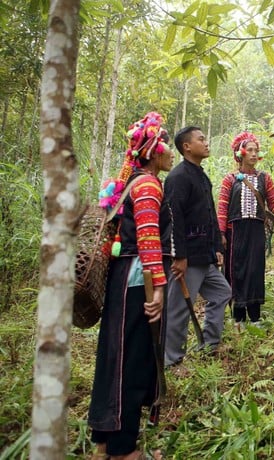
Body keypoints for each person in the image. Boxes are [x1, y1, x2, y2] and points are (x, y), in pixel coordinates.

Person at [88, 112, 174, 460]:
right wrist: (158, 290)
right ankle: (124, 450)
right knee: (132, 360)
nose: (170, 151)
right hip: (139, 281)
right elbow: (149, 240)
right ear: (154, 150)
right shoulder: (149, 185)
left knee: (115, 355)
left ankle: (106, 439)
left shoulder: (131, 183)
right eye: (166, 143)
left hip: (124, 280)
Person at [163, 126, 231, 366]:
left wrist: (217, 249)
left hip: (205, 255)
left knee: (222, 293)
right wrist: (179, 256)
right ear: (187, 147)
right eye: (201, 139)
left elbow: (209, 214)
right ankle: (172, 360)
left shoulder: (201, 176)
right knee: (180, 307)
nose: (206, 142)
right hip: (188, 257)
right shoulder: (178, 178)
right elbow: (174, 219)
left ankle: (209, 345)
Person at [217, 131, 274, 327]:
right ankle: (238, 316)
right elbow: (222, 208)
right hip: (235, 231)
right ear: (240, 153)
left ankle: (254, 316)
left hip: (256, 231)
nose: (253, 154)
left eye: (256, 150)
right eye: (249, 150)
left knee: (255, 270)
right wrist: (220, 234)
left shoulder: (264, 178)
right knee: (236, 270)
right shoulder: (230, 179)